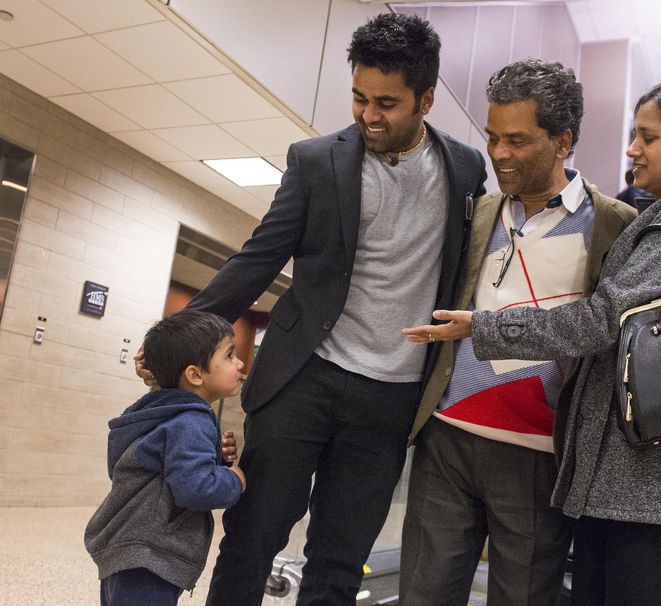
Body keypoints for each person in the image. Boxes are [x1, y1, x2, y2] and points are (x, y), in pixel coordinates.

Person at [135, 12, 487, 606]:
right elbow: (258, 259)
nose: (368, 115)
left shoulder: (466, 169)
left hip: (392, 394)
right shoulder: (316, 160)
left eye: (387, 103)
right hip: (303, 377)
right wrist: (172, 339)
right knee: (251, 540)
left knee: (340, 560)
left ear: (426, 99)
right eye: (359, 98)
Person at [403, 78, 661, 605]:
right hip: (634, 474)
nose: (632, 149)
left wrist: (485, 327)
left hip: (648, 478)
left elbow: (606, 318)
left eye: (648, 137)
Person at [398, 59, 636, 605]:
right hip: (446, 439)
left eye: (518, 140)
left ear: (563, 142)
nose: (498, 153)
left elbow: (608, 331)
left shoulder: (614, 224)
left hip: (539, 454)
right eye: (492, 137)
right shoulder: (477, 212)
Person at [85, 310, 246, 606]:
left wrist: (216, 459)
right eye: (229, 355)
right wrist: (233, 479)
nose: (240, 363)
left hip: (128, 548)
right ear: (195, 375)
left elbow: (161, 471)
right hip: (149, 557)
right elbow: (195, 489)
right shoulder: (192, 422)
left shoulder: (160, 413)